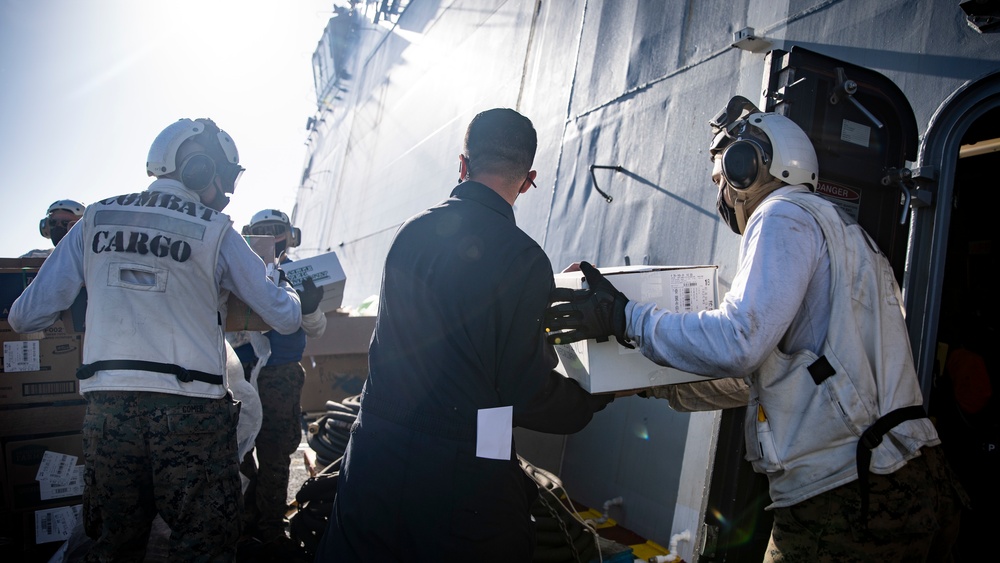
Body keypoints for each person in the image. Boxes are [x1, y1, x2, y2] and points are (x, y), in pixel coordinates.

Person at [545, 96, 966, 562]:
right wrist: (647, 387)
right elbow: (757, 378)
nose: (722, 195)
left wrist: (624, 318)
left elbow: (738, 344)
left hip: (847, 490)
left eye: (722, 180)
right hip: (915, 477)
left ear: (748, 167)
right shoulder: (847, 234)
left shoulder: (781, 214)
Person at [316, 108, 613, 562]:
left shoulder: (410, 234)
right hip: (463, 478)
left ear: (462, 165)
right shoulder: (525, 259)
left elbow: (449, 321)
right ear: (528, 179)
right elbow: (520, 390)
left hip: (374, 459)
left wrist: (538, 294)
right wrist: (592, 397)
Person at [7, 117, 304, 562]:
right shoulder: (215, 229)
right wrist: (293, 291)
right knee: (201, 546)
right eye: (224, 180)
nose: (225, 194)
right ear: (200, 169)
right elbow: (283, 315)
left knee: (114, 546)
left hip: (110, 413)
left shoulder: (95, 220)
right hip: (193, 414)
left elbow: (24, 316)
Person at [234, 209, 326, 550]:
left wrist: (311, 306)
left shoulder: (298, 277)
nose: (272, 238)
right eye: (263, 232)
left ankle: (270, 528)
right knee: (240, 455)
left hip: (280, 376)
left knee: (275, 454)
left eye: (278, 231)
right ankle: (245, 523)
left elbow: (316, 329)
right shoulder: (237, 273)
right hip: (238, 376)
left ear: (290, 236)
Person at [21, 199, 86, 258]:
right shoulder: (33, 256)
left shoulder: (91, 261)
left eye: (65, 223)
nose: (58, 227)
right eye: (53, 222)